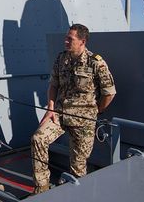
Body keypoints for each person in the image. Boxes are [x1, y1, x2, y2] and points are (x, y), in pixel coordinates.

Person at [31, 23, 116, 194]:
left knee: (78, 167)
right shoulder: (61, 58)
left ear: (82, 41)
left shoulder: (96, 63)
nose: (66, 41)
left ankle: (77, 195)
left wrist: (96, 111)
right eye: (66, 37)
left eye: (70, 39)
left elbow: (109, 93)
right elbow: (53, 85)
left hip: (83, 122)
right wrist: (51, 108)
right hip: (59, 115)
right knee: (37, 139)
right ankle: (41, 189)